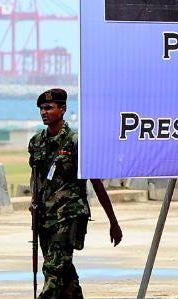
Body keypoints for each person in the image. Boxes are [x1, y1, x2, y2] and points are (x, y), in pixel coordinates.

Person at [28, 88, 122, 298]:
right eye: (42, 108)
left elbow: (96, 183)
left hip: (69, 216)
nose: (44, 112)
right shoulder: (36, 142)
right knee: (66, 275)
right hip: (45, 217)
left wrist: (113, 222)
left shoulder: (76, 142)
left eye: (49, 108)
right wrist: (34, 201)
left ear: (62, 109)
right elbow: (36, 175)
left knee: (54, 269)